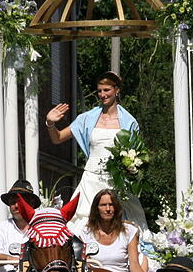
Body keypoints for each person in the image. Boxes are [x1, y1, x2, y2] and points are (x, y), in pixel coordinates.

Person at [44, 72, 148, 229]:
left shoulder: (129, 121)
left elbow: (136, 154)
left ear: (116, 90)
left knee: (124, 225)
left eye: (106, 90)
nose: (102, 95)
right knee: (83, 222)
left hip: (117, 181)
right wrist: (50, 123)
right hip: (91, 178)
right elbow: (57, 138)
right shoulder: (86, 118)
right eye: (99, 91)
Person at [76, 189, 153, 272]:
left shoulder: (129, 231)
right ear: (96, 209)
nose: (108, 209)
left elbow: (134, 265)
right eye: (103, 205)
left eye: (111, 204)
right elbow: (83, 265)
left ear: (116, 208)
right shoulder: (85, 233)